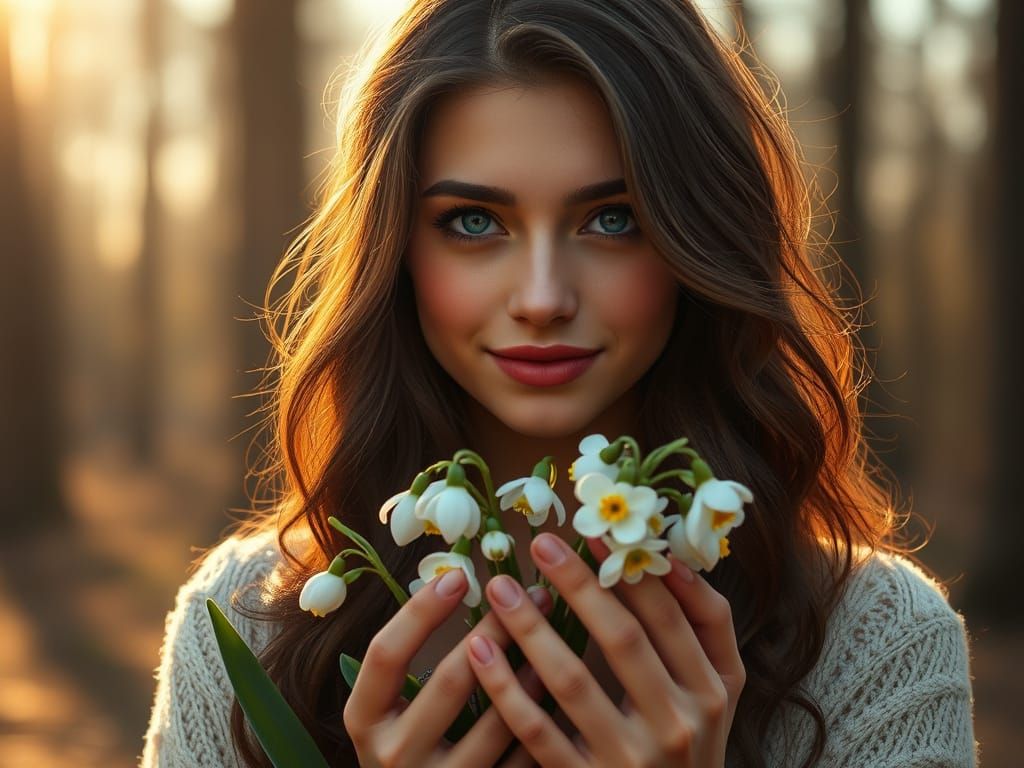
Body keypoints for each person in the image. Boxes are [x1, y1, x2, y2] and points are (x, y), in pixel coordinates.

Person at [140, 1, 977, 766]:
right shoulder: (249, 624)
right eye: (474, 222)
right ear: (396, 251)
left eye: (613, 218)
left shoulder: (875, 645)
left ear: (701, 240)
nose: (542, 298)